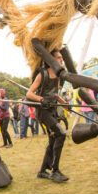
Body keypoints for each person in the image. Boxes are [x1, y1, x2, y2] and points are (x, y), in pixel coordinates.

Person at [26, 49, 68, 182]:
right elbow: (29, 94)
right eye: (58, 58)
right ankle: (55, 170)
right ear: (51, 60)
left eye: (61, 58)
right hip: (43, 111)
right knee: (61, 133)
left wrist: (64, 103)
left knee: (53, 138)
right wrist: (41, 99)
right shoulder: (42, 74)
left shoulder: (58, 75)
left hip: (53, 110)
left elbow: (55, 93)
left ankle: (43, 171)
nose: (61, 60)